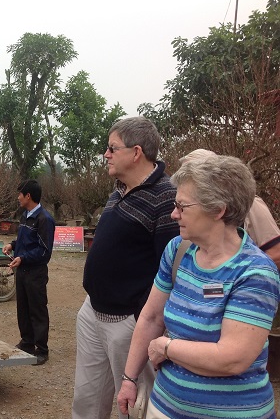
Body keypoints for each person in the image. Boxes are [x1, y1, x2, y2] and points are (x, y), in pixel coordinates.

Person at [117, 155, 280, 418]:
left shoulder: (255, 272)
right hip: (164, 407)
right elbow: (151, 316)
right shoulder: (178, 251)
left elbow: (231, 359)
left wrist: (166, 347)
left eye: (182, 207)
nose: (174, 214)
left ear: (218, 209)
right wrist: (129, 378)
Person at [72, 117, 179, 418]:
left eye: (111, 148)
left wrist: (141, 317)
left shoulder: (166, 196)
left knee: (133, 404)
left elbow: (169, 269)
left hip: (127, 324)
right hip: (92, 312)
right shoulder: (118, 190)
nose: (106, 154)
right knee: (87, 397)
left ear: (136, 152)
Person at [180, 148, 280, 268]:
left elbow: (277, 253)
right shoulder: (182, 211)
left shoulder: (251, 204)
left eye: (192, 175)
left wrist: (235, 272)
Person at [2, 179, 55, 366]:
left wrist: (23, 258)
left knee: (37, 309)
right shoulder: (25, 216)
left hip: (35, 272)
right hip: (22, 271)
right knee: (23, 308)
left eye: (20, 194)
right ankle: (27, 342)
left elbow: (44, 251)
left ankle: (42, 349)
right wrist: (13, 245)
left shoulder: (44, 220)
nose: (18, 197)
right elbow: (25, 242)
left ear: (28, 196)